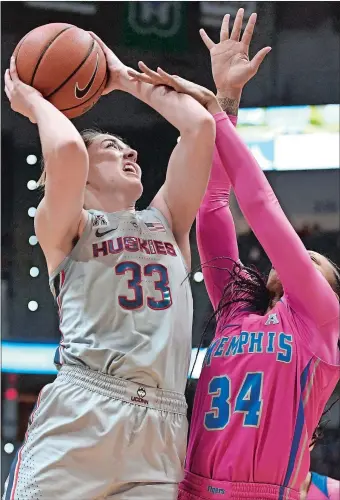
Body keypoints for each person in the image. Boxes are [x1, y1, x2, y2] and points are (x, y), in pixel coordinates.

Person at [129, 9, 340, 500]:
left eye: (317, 263)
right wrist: (226, 98)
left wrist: (218, 118)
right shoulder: (235, 312)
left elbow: (262, 209)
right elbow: (214, 205)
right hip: (189, 488)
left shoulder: (323, 322)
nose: (304, 257)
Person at [3, 31, 216, 499]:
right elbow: (66, 152)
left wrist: (121, 77)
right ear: (81, 180)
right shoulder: (64, 225)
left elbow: (200, 128)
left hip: (162, 426)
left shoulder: (167, 220)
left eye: (127, 146)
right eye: (112, 149)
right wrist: (34, 102)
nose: (132, 152)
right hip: (84, 411)